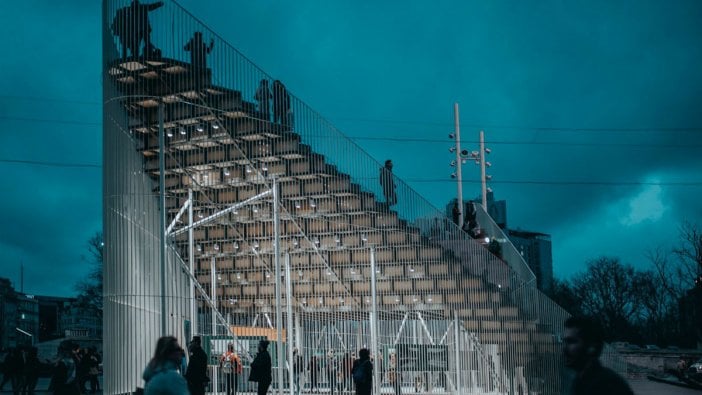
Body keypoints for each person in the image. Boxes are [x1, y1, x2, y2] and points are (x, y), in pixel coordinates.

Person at [563, 316, 634, 395]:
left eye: (571, 342)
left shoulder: (608, 385)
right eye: (565, 342)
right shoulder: (579, 381)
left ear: (592, 347)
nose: (564, 349)